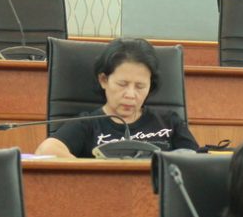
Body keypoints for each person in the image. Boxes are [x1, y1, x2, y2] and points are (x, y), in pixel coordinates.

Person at [35, 37, 198, 158]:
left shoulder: (169, 122)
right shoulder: (88, 125)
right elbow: (46, 150)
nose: (130, 95)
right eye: (122, 84)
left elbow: (198, 162)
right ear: (104, 80)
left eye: (140, 86)